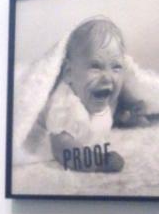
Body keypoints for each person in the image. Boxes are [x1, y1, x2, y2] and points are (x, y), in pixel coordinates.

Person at [21, 17, 151, 173]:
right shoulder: (65, 104)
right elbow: (62, 149)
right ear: (69, 73)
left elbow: (107, 110)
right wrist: (97, 161)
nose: (107, 76)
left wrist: (126, 116)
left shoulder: (97, 93)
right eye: (96, 66)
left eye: (116, 67)